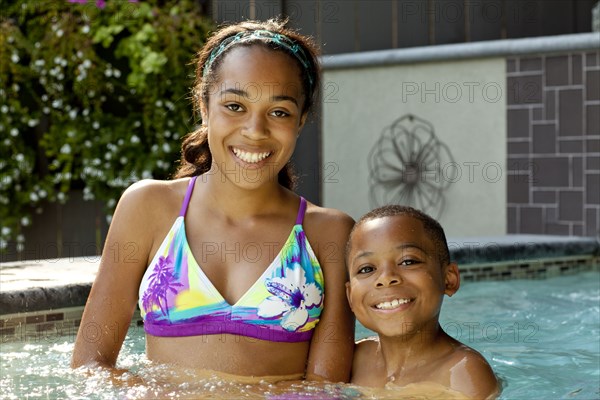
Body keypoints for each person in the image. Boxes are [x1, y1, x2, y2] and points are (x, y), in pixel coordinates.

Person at [72, 18, 355, 383]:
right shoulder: (148, 208)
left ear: (301, 121)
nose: (255, 131)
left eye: (279, 112)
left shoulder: (329, 233)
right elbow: (90, 367)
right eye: (235, 106)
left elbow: (325, 389)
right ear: (204, 107)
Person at [345, 205, 499, 399]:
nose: (385, 278)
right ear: (350, 296)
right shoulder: (354, 358)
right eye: (366, 269)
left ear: (448, 279)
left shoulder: (463, 374)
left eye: (408, 261)